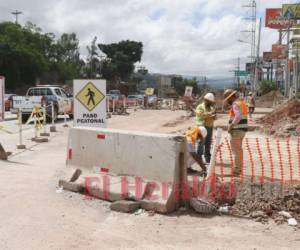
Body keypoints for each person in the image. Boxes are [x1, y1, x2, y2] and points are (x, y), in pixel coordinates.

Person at [224, 89, 248, 176]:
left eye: (228, 99)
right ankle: (239, 168)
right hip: (242, 130)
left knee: (236, 151)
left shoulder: (235, 104)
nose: (227, 101)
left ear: (231, 97)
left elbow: (238, 116)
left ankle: (237, 170)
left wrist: (231, 126)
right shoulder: (242, 103)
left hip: (236, 130)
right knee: (239, 150)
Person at [195, 93, 216, 164]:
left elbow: (213, 117)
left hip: (210, 127)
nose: (210, 103)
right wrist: (210, 114)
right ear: (205, 100)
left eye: (211, 102)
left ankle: (207, 157)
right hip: (202, 127)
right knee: (201, 142)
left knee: (208, 143)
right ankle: (199, 157)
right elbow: (201, 114)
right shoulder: (200, 107)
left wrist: (214, 116)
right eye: (209, 102)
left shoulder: (211, 108)